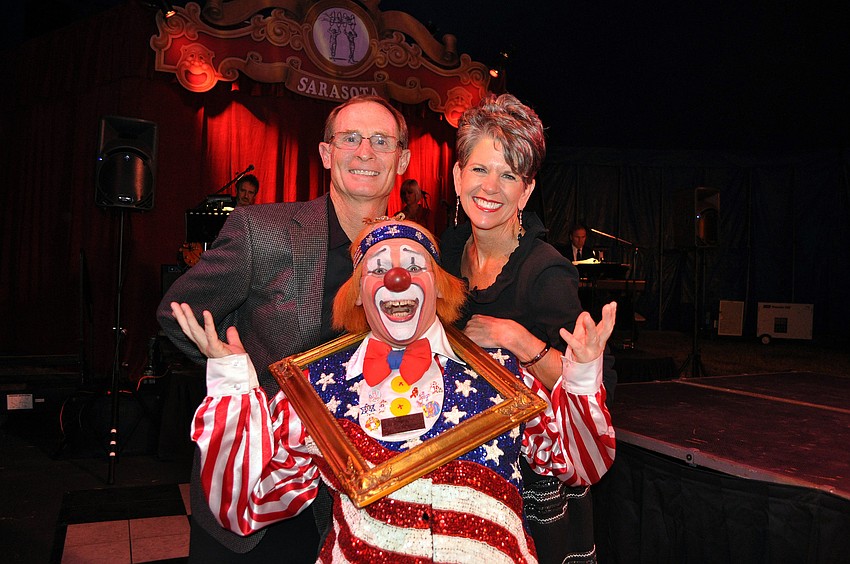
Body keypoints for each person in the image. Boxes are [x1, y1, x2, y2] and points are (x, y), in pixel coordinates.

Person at [168, 218, 616, 562]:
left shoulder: (503, 375)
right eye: (378, 268)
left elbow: (578, 464)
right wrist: (232, 383)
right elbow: (246, 506)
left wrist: (579, 373)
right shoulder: (315, 391)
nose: (396, 277)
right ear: (359, 294)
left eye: (414, 265)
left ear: (438, 287)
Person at [156, 95, 411, 562]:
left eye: (381, 141)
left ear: (403, 159)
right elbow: (178, 311)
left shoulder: (412, 256)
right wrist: (236, 375)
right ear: (327, 152)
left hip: (363, 496)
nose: (365, 152)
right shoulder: (262, 229)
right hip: (265, 487)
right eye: (350, 138)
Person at [440, 93, 617, 563]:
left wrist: (516, 340)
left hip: (528, 489)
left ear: (527, 191)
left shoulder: (545, 271)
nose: (491, 186)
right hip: (458, 471)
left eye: (509, 174)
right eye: (479, 169)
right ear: (457, 176)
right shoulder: (444, 251)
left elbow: (589, 391)